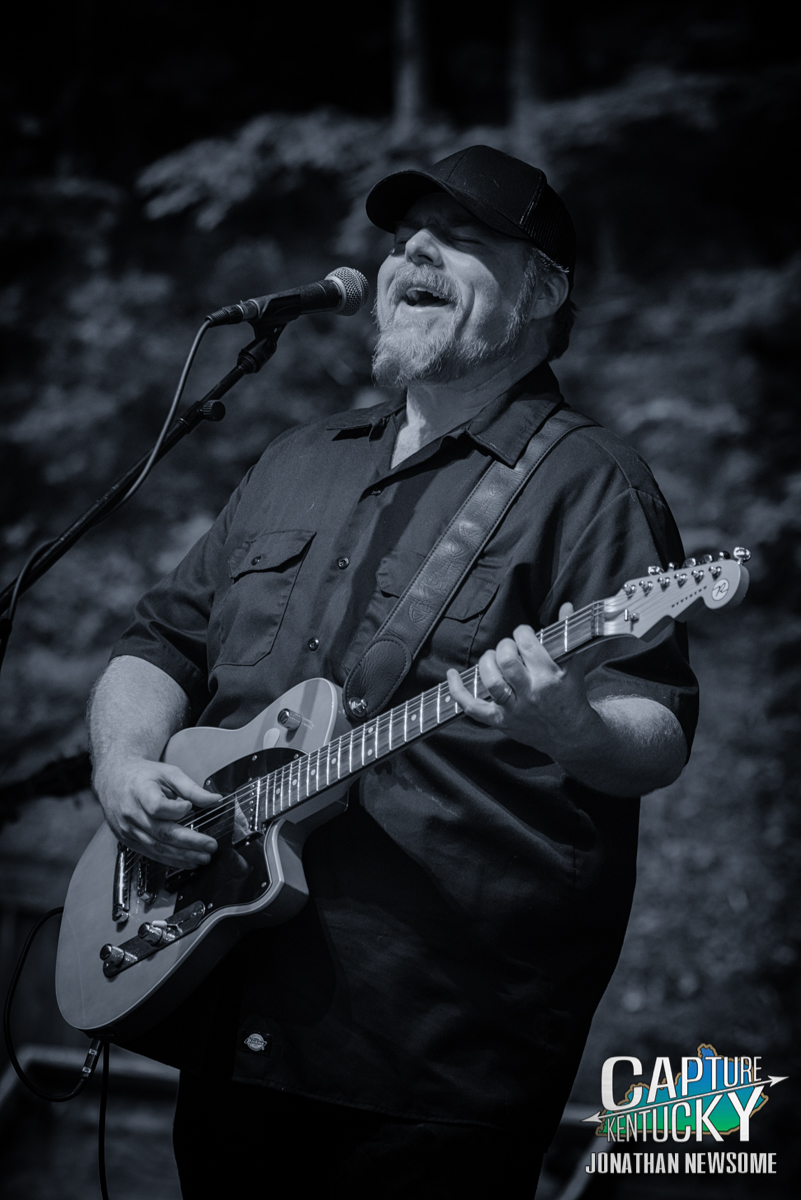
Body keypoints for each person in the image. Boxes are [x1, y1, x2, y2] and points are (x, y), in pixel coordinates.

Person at [89, 146, 697, 1197]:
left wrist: (569, 723)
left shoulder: (593, 485)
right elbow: (161, 645)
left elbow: (657, 730)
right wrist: (121, 765)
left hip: (434, 1053)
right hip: (227, 996)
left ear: (542, 291)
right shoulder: (297, 458)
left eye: (459, 239)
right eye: (405, 238)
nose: (413, 252)